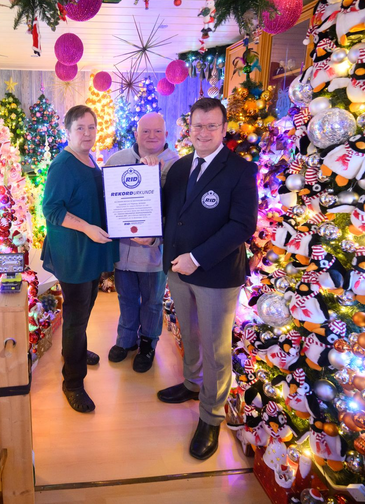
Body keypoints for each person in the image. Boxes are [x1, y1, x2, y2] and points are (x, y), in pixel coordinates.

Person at [157, 98, 258, 460]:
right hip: (178, 269)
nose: (203, 132)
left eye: (211, 126)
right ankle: (190, 383)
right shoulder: (181, 167)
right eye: (197, 125)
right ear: (189, 127)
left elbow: (243, 226)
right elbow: (169, 215)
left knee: (217, 349)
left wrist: (197, 258)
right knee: (191, 332)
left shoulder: (241, 170)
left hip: (215, 273)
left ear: (224, 128)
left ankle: (211, 415)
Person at [42, 105, 119, 413]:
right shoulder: (63, 165)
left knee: (84, 308)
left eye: (91, 127)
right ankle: (72, 382)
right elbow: (52, 210)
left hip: (90, 250)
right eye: (80, 128)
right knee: (76, 316)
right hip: (72, 251)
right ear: (68, 131)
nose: (87, 134)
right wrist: (87, 228)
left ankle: (72, 350)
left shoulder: (88, 159)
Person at [104, 113, 179, 372]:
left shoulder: (177, 165)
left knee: (152, 301)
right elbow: (107, 202)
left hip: (154, 253)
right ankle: (125, 340)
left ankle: (147, 343)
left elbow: (178, 213)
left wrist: (157, 238)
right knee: (126, 298)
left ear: (166, 135)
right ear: (136, 134)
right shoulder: (117, 160)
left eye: (157, 131)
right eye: (145, 131)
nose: (151, 136)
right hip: (123, 251)